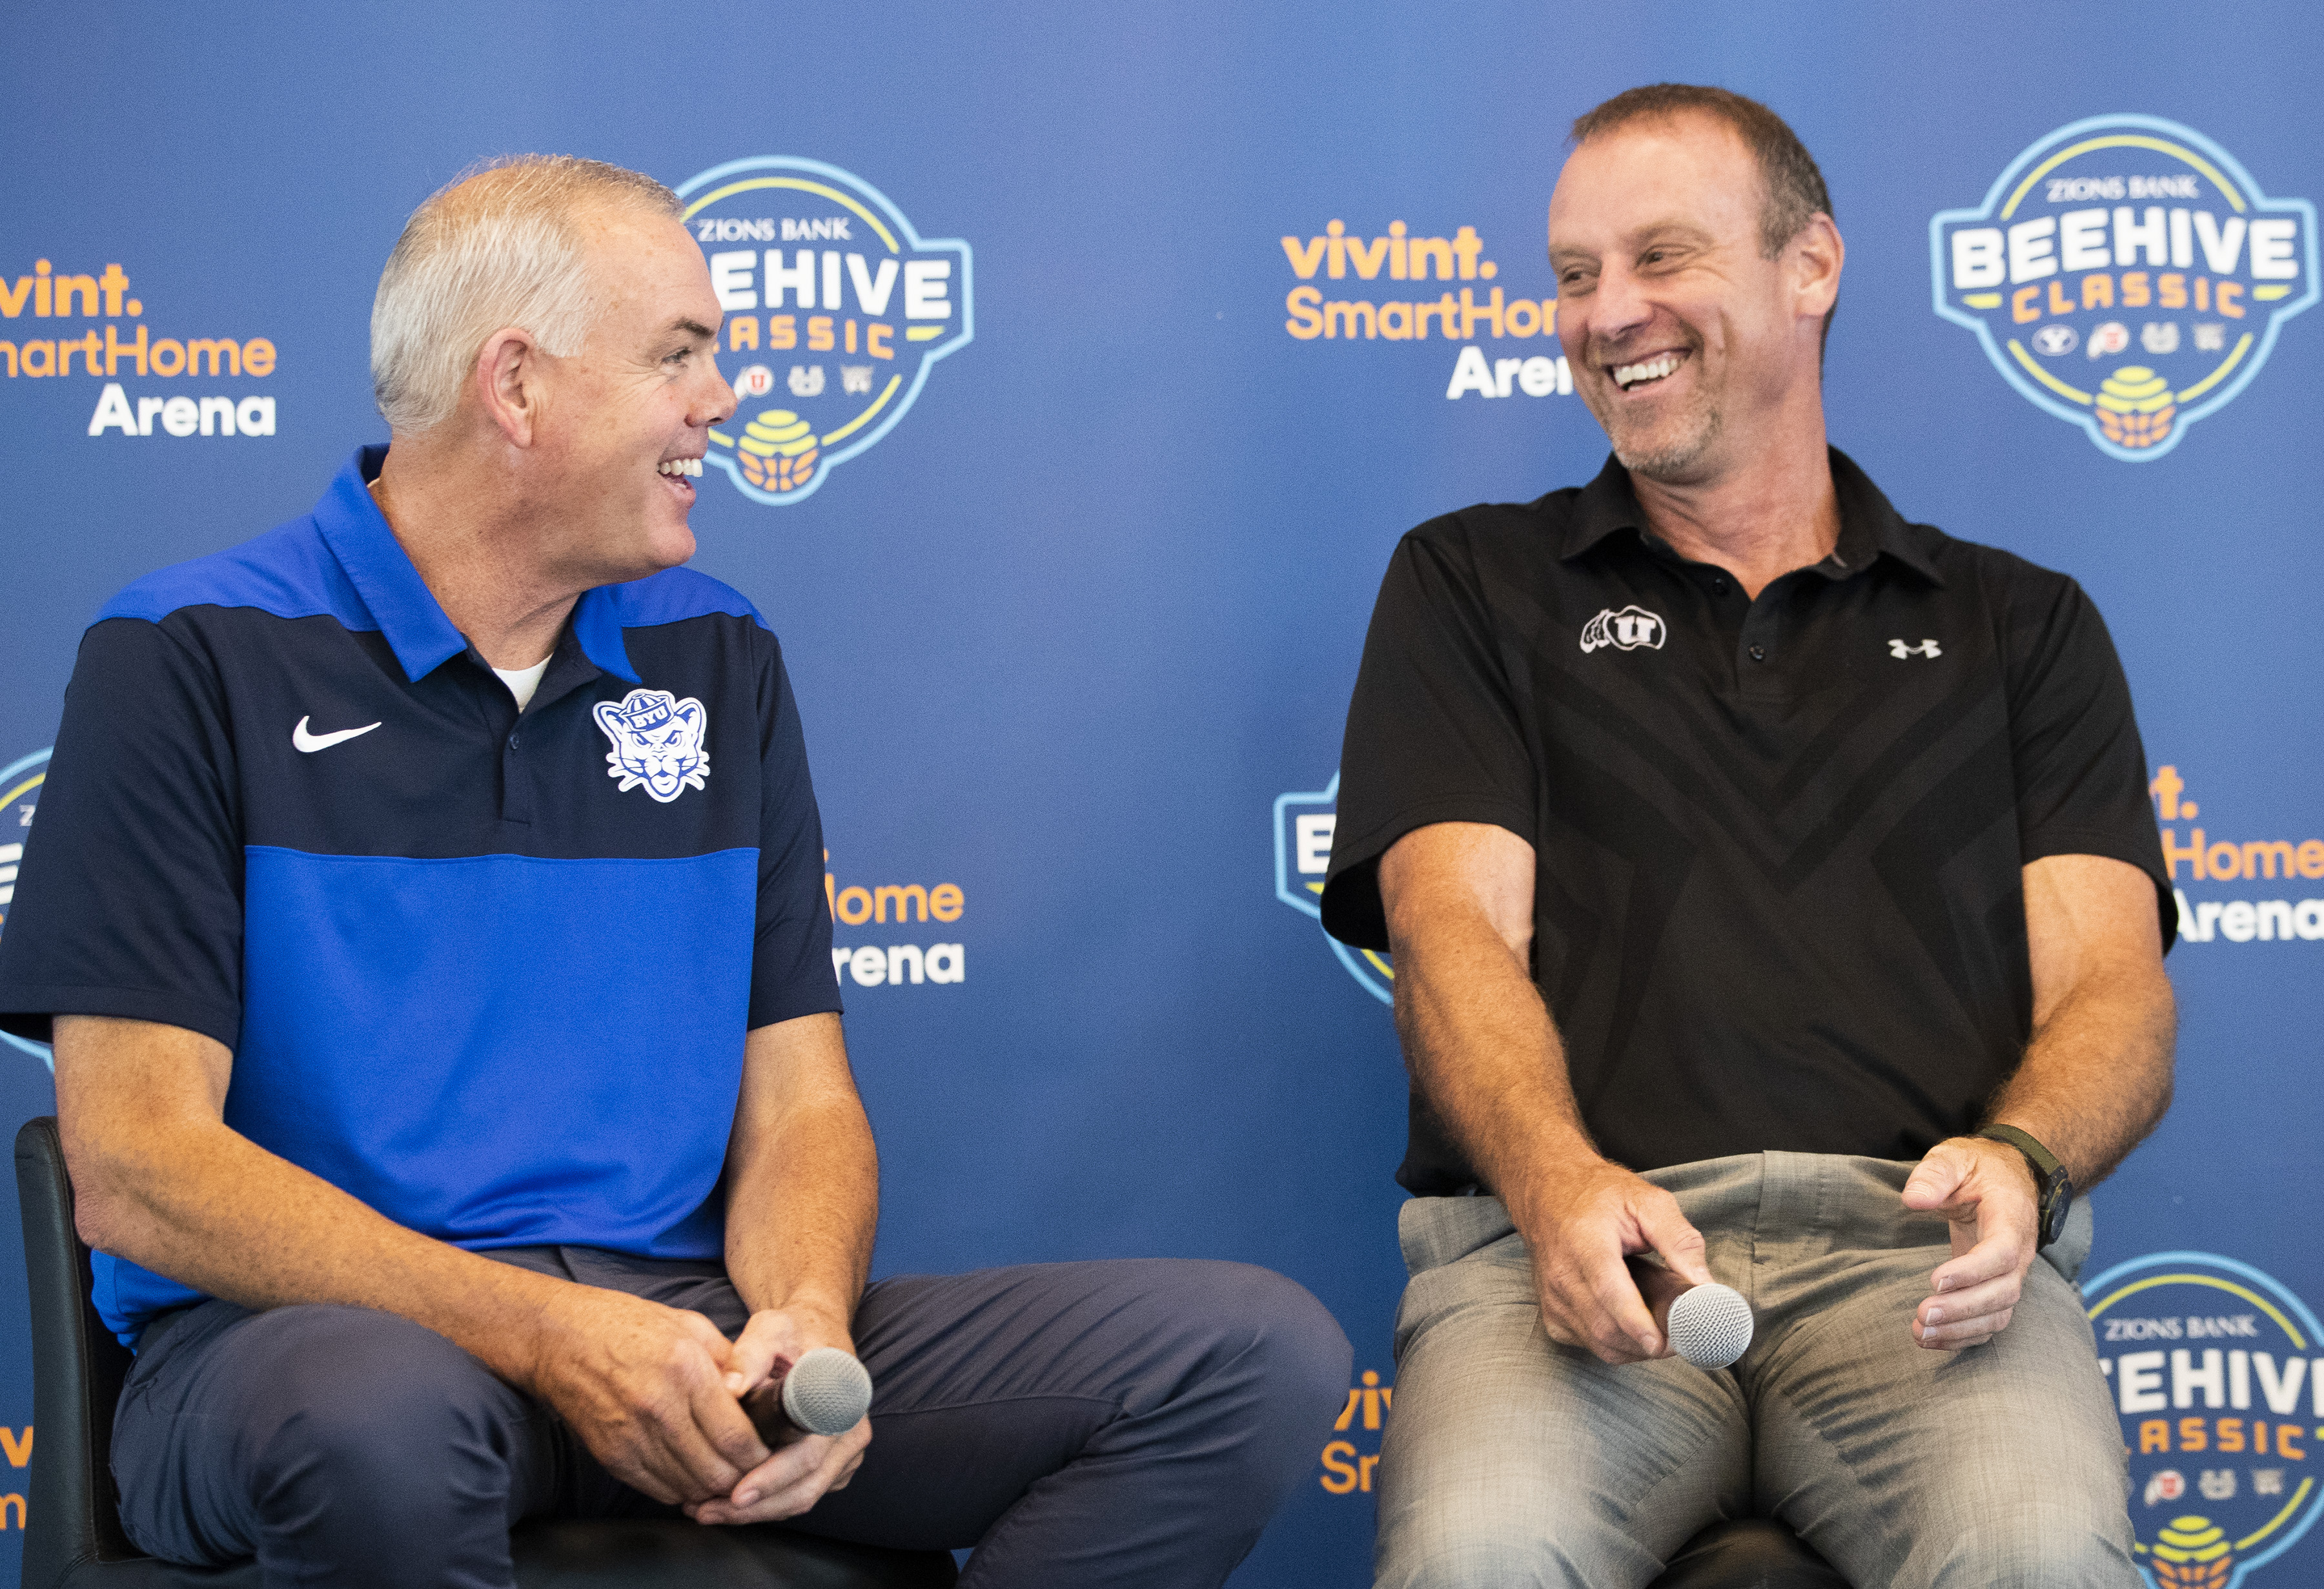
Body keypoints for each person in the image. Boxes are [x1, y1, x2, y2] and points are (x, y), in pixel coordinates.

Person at [0, 155, 1348, 1589]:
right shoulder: (188, 651)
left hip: (683, 1335)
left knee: (1246, 1355)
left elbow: (802, 1105)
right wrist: (544, 1333)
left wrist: (808, 1321)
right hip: (314, 1348)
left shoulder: (720, 653)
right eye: (680, 355)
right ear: (515, 388)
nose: (721, 400)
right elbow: (141, 1170)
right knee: (374, 1423)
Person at [1321, 86, 2175, 1589]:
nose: (1609, 313)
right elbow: (1450, 935)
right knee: (1476, 1559)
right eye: (1576, 274)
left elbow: (2114, 989)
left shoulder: (2019, 623)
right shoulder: (1472, 585)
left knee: (2044, 1555)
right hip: (1568, 1260)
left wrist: (2026, 1159)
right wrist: (1556, 1183)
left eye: (1662, 257)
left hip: (1923, 1277)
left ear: (1812, 267)